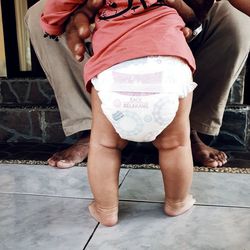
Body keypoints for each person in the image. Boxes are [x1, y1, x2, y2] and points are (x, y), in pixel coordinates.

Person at [24, 0, 250, 168]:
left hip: (184, 12)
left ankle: (186, 129)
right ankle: (94, 129)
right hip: (109, 13)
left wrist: (190, 15)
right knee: (39, 15)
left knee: (239, 22)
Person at [41, 0, 204, 226]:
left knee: (104, 145)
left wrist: (51, 25)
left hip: (113, 67)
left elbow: (57, 5)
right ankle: (177, 202)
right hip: (169, 63)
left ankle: (106, 209)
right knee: (176, 144)